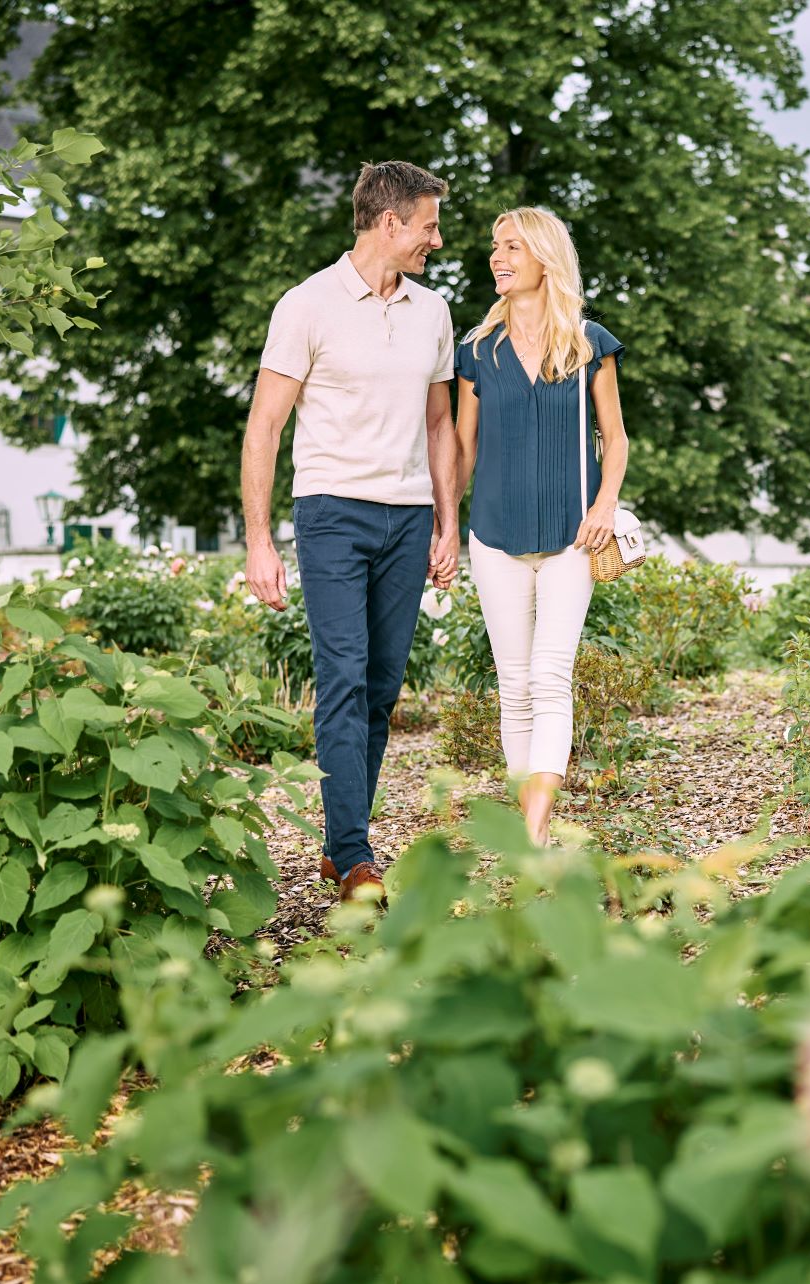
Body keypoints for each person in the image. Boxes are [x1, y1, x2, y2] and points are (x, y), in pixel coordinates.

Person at [241, 161, 460, 902]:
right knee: (340, 679)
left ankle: (341, 845)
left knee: (379, 688)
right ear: (390, 222)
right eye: (428, 224)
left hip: (407, 519)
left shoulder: (432, 311)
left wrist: (447, 520)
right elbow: (265, 425)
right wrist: (258, 539)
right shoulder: (306, 305)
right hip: (332, 512)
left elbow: (440, 424)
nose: (437, 238)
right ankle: (356, 855)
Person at [456, 206, 629, 844]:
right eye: (495, 248)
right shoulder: (477, 350)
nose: (497, 258)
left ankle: (531, 833)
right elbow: (462, 449)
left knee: (552, 677)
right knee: (515, 686)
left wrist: (605, 504)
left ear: (544, 259)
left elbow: (615, 438)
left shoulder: (589, 344)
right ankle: (533, 831)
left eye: (511, 248)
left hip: (571, 538)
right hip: (493, 537)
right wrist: (446, 524)